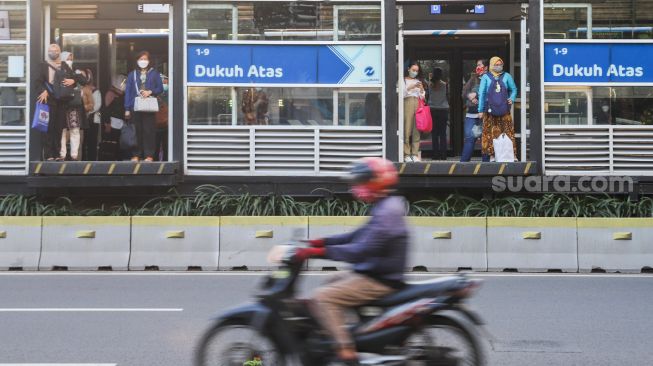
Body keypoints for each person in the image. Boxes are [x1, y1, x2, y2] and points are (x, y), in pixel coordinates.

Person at [292, 157, 408, 363]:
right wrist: (320, 242)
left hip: (379, 278)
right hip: (374, 271)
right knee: (331, 282)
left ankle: (346, 350)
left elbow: (359, 251)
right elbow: (355, 236)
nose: (357, 188)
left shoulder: (387, 212)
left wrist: (317, 253)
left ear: (376, 182)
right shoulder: (384, 205)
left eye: (361, 182)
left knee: (323, 297)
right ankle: (347, 330)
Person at [35, 44, 80, 161]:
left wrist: (73, 81)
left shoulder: (64, 65)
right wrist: (43, 91)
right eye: (51, 50)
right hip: (48, 100)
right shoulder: (43, 65)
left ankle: (57, 154)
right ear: (47, 52)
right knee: (49, 127)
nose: (53, 52)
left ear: (60, 52)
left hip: (62, 100)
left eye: (56, 50)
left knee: (59, 127)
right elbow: (38, 82)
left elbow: (75, 78)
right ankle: (49, 154)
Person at [124, 51, 163, 162]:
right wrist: (127, 109)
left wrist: (150, 91)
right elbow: (128, 92)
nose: (143, 61)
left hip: (149, 106)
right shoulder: (132, 74)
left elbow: (160, 88)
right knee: (136, 131)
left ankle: (149, 155)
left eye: (145, 59)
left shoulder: (154, 73)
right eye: (141, 59)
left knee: (149, 131)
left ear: (149, 61)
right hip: (134, 106)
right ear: (137, 61)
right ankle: (136, 154)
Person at [478, 56, 518, 160]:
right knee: (490, 133)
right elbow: (481, 94)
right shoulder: (486, 77)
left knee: (508, 132)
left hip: (504, 109)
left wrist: (512, 98)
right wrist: (480, 110)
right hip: (489, 110)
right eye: (496, 64)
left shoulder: (507, 76)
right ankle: (492, 155)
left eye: (500, 64)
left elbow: (513, 89)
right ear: (491, 65)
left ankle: (512, 155)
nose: (498, 66)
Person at [58, 51, 87, 161]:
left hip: (74, 104)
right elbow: (58, 81)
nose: (70, 59)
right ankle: (62, 154)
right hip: (62, 103)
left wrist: (74, 80)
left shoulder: (76, 69)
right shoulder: (59, 68)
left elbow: (84, 81)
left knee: (75, 129)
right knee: (62, 129)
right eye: (68, 57)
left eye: (71, 57)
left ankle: (74, 154)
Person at [461, 59, 490, 162]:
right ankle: (463, 164)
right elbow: (464, 92)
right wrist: (470, 97)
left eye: (480, 65)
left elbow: (491, 92)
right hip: (471, 114)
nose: (477, 67)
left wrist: (477, 95)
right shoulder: (473, 78)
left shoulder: (491, 78)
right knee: (469, 138)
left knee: (485, 140)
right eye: (477, 65)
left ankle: (486, 165)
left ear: (486, 67)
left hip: (486, 113)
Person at [100, 74, 127, 161]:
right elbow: (106, 109)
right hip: (112, 123)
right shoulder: (110, 93)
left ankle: (119, 158)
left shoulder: (123, 95)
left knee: (120, 143)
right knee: (112, 142)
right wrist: (107, 123)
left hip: (121, 123)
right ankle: (111, 159)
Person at [403, 62, 425, 162]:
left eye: (416, 71)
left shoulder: (418, 81)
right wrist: (411, 87)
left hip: (417, 104)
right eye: (413, 70)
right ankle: (406, 154)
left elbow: (422, 97)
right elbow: (400, 93)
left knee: (417, 129)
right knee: (406, 129)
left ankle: (415, 153)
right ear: (408, 69)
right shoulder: (402, 80)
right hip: (407, 103)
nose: (415, 72)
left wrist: (421, 89)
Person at [80, 68, 102, 161]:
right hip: (81, 119)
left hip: (93, 119)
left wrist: (87, 111)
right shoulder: (79, 89)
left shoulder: (95, 90)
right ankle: (82, 159)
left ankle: (92, 160)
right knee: (82, 141)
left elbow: (97, 105)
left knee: (92, 141)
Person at [429, 67, 449, 160]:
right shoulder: (445, 85)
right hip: (443, 110)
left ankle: (435, 155)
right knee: (442, 133)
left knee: (434, 134)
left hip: (432, 110)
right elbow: (447, 95)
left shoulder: (430, 85)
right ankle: (443, 155)